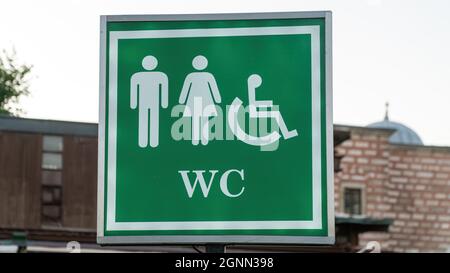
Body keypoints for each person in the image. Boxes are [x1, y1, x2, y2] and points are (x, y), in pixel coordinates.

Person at [179, 55, 221, 145]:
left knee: (202, 119)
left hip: (202, 101)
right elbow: (186, 88)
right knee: (197, 119)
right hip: (197, 101)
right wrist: (217, 99)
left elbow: (213, 88)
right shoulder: (192, 76)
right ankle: (197, 138)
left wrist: (182, 100)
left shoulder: (205, 76)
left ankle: (201, 138)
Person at [130, 55, 168, 148]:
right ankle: (143, 141)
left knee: (153, 120)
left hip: (154, 102)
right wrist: (133, 103)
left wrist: (164, 102)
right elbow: (134, 90)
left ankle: (154, 141)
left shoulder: (161, 75)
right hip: (144, 102)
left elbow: (164, 90)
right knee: (143, 120)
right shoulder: (137, 76)